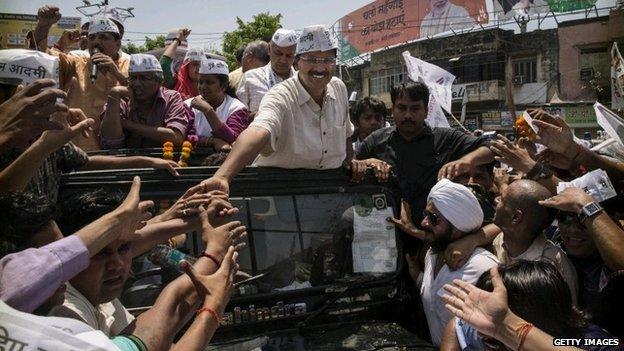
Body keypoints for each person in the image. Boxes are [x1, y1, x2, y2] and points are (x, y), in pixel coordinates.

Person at [195, 25, 369, 195]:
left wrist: (351, 161)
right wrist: (223, 177)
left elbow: (346, 133)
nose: (320, 68)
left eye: (328, 60)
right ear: (298, 62)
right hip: (282, 192)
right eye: (311, 59)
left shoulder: (338, 88)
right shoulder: (280, 95)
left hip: (330, 192)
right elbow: (258, 131)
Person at [356, 82, 494, 239]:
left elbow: (492, 147)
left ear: (426, 110)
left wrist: (467, 160)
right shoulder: (376, 140)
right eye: (402, 108)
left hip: (432, 240)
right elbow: (349, 166)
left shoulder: (446, 139)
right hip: (382, 236)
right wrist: (368, 163)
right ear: (392, 109)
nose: (408, 115)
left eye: (415, 108)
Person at [442, 263, 618, 351]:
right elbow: (457, 326)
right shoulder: (486, 327)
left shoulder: (590, 340)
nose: (481, 335)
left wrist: (508, 327)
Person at [32, 6, 131, 151]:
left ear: (118, 44)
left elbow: (143, 97)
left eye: (103, 37)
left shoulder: (131, 65)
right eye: (92, 37)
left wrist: (116, 73)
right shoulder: (75, 62)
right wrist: (44, 25)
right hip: (76, 149)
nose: (96, 42)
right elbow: (41, 58)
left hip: (116, 150)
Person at [416, 178, 499, 346]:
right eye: (425, 215)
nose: (423, 223)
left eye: (433, 218)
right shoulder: (432, 255)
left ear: (457, 226)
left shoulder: (483, 267)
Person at [540, 187, 624, 337]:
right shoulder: (552, 243)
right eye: (565, 217)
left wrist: (584, 204)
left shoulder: (612, 257)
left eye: (584, 219)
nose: (573, 229)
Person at [486, 179, 579, 303]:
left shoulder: (551, 269)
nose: (496, 201)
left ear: (516, 217)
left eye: (502, 200)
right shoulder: (500, 240)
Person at [100, 53, 193, 148]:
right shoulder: (121, 98)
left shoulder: (171, 98)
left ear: (159, 81)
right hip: (127, 161)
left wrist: (127, 124)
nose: (137, 84)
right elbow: (110, 143)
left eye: (144, 78)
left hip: (163, 161)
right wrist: (114, 93)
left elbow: (176, 137)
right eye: (133, 78)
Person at [187, 58, 250, 148]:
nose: (203, 87)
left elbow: (234, 139)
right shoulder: (188, 105)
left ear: (223, 86)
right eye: (200, 82)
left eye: (209, 83)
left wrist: (208, 111)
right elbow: (186, 136)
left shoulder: (237, 108)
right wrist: (211, 141)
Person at [237, 28, 298, 117]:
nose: (283, 60)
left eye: (289, 56)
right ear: (269, 49)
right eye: (278, 53)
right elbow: (239, 117)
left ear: (295, 55)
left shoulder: (302, 81)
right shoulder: (250, 78)